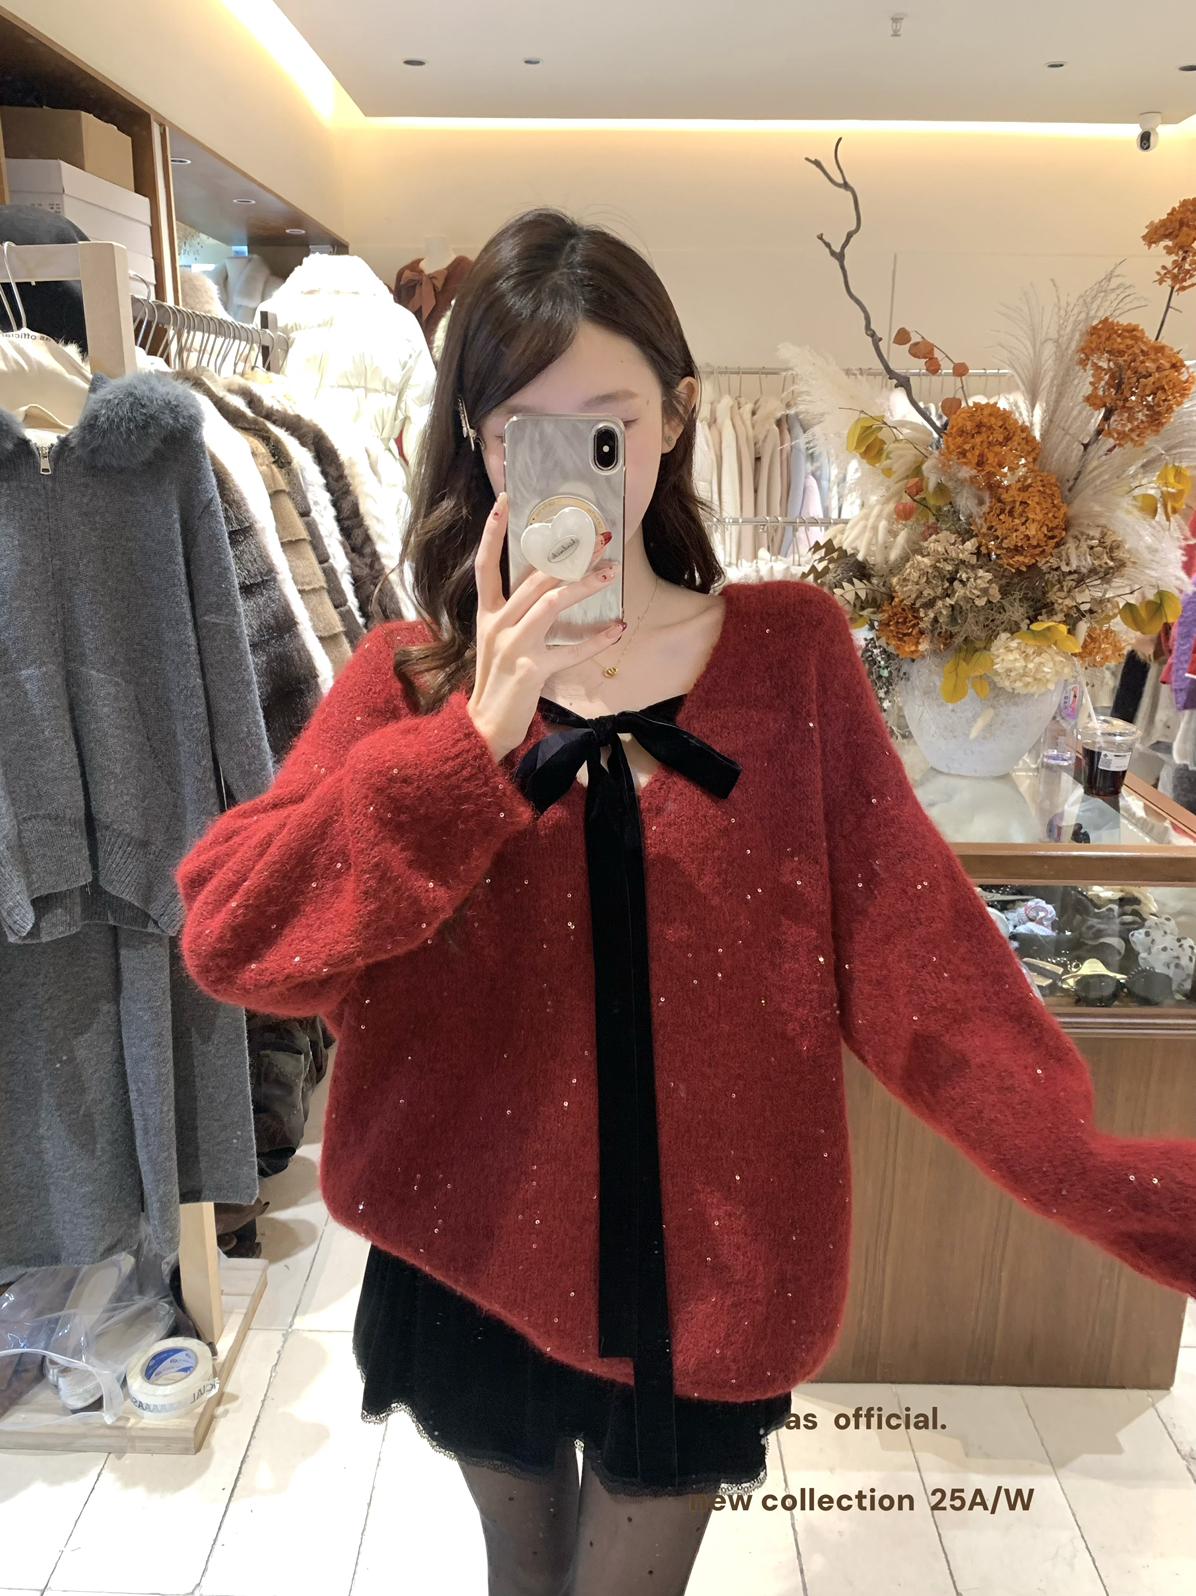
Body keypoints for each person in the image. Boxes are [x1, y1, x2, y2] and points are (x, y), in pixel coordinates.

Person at [176, 209, 1196, 1596]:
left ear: (675, 418)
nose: (568, 459)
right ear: (477, 442)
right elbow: (237, 938)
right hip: (471, 1233)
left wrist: (1094, 1168)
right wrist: (471, 748)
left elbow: (920, 964)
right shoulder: (412, 681)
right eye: (521, 428)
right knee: (522, 1580)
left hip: (714, 1261)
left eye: (608, 423)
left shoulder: (790, 658)